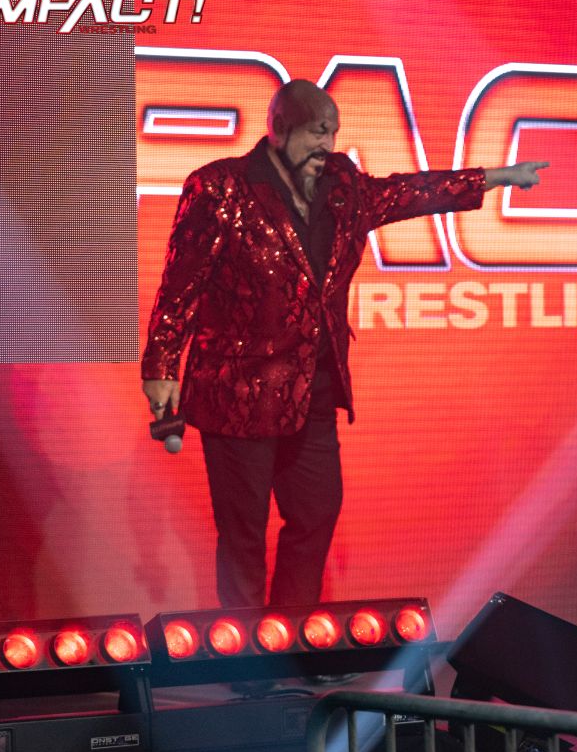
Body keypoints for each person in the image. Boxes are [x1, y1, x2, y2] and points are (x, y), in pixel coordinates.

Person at [142, 80, 548, 608]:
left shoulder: (342, 188)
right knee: (243, 534)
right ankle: (244, 648)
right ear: (279, 127)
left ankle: (289, 634)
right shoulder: (220, 188)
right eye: (317, 132)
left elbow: (409, 193)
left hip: (312, 389)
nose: (327, 145)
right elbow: (180, 286)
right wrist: (161, 368)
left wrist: (496, 177)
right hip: (239, 394)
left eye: (332, 133)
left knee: (316, 512)